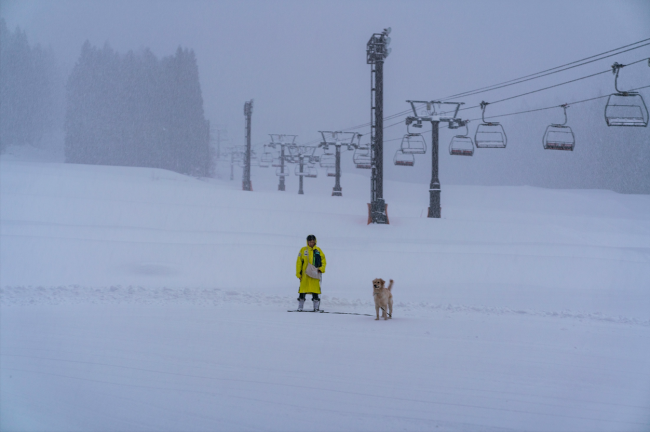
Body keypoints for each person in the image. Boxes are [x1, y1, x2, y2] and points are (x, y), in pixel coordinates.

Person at [296, 234, 327, 311]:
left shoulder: (318, 250)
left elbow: (323, 261)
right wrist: (298, 274)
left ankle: (316, 307)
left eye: (313, 242)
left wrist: (321, 269)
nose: (311, 243)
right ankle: (300, 307)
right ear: (307, 242)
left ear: (315, 242)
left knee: (315, 291)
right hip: (305, 275)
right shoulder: (303, 250)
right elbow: (299, 262)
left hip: (315, 274)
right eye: (310, 242)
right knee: (302, 291)